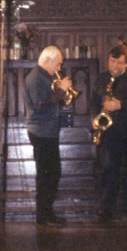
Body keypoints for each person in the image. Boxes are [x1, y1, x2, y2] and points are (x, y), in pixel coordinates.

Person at [93, 46, 127, 226]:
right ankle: (106, 210)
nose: (114, 65)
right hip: (110, 133)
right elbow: (94, 102)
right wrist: (94, 119)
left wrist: (121, 105)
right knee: (109, 171)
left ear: (126, 63)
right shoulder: (101, 78)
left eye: (119, 62)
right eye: (111, 61)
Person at [24, 46, 72, 228]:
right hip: (41, 132)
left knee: (52, 173)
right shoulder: (36, 78)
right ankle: (44, 216)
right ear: (49, 60)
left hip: (47, 131)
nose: (59, 69)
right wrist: (60, 91)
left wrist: (60, 92)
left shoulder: (45, 76)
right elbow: (39, 105)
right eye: (58, 64)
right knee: (47, 175)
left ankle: (47, 213)